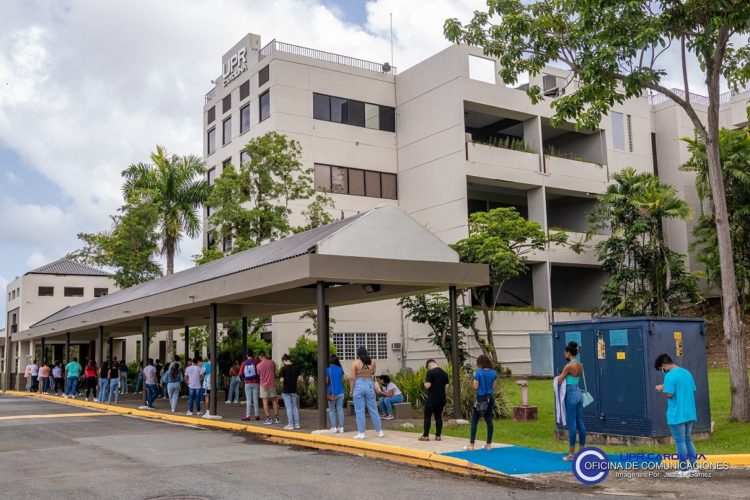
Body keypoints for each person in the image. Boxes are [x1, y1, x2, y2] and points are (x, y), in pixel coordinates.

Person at [655, 353, 698, 477]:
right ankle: (694, 467)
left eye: (661, 369)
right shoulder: (686, 372)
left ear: (663, 366)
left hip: (676, 414)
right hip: (689, 412)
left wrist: (661, 389)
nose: (662, 371)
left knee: (680, 441)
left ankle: (683, 470)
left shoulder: (669, 376)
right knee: (688, 439)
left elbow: (669, 394)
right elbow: (689, 388)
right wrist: (666, 387)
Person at [555, 342, 585, 460]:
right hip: (579, 392)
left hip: (571, 394)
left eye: (565, 352)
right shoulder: (580, 364)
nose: (564, 354)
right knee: (580, 423)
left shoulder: (568, 366)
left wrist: (561, 375)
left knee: (572, 424)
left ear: (568, 353)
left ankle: (571, 454)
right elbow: (577, 377)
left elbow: (559, 381)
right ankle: (582, 451)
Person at [350, 347, 384, 440]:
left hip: (359, 385)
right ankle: (380, 431)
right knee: (373, 408)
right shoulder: (373, 362)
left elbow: (352, 377)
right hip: (369, 384)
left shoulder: (355, 363)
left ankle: (361, 433)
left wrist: (351, 390)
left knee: (359, 410)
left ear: (358, 354)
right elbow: (373, 372)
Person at [465, 354, 497, 451]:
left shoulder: (478, 373)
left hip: (481, 398)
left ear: (480, 363)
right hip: (490, 397)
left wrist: (474, 379)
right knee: (489, 420)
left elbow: (475, 387)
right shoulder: (494, 373)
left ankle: (471, 444)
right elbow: (494, 386)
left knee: (474, 420)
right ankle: (488, 444)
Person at [420, 359, 449, 441]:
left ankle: (425, 436)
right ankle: (438, 436)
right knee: (438, 417)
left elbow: (427, 386)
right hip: (442, 399)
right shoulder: (444, 373)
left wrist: (424, 383)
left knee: (427, 417)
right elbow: (447, 386)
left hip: (432, 399)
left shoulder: (430, 372)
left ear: (429, 366)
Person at [279, 354, 302, 430]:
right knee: (294, 407)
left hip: (286, 390)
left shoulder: (283, 369)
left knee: (289, 408)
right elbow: (300, 379)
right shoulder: (296, 367)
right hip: (294, 390)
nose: (283, 363)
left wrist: (281, 381)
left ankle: (291, 424)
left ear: (285, 360)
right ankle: (297, 424)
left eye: (283, 362)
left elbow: (282, 380)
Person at [256, 351, 280, 424]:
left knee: (265, 402)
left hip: (263, 385)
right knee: (274, 401)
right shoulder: (272, 362)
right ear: (265, 355)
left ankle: (269, 419)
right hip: (272, 384)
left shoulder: (258, 365)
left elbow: (258, 374)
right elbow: (274, 371)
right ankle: (277, 418)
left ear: (260, 356)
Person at [325, 355, 346, 432]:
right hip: (340, 392)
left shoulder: (328, 370)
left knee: (331, 410)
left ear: (330, 361)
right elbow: (343, 381)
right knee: (340, 409)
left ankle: (334, 427)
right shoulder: (341, 369)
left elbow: (326, 382)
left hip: (331, 393)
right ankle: (341, 427)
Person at [240, 351, 261, 421]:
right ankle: (257, 415)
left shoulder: (244, 363)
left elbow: (241, 374)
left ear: (247, 355)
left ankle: (248, 416)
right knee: (255, 399)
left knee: (248, 400)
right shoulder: (256, 362)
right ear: (253, 355)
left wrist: (245, 377)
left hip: (247, 383)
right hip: (255, 382)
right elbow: (258, 373)